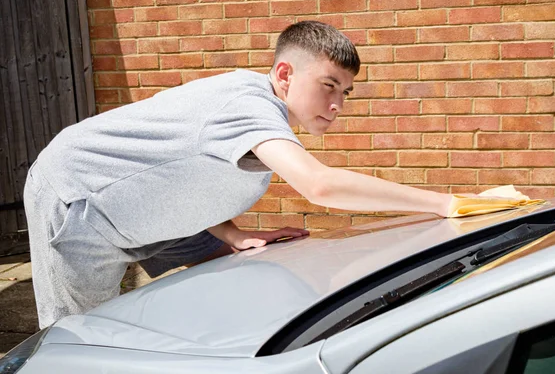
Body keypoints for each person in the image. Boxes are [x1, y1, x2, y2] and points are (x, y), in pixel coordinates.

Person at [23, 20, 453, 329]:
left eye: (346, 91)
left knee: (242, 275)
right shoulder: (248, 106)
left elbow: (189, 170)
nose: (339, 103)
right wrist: (445, 204)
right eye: (329, 85)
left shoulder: (262, 114)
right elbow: (319, 184)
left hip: (148, 203)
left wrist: (231, 235)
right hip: (82, 199)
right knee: (78, 338)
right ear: (285, 75)